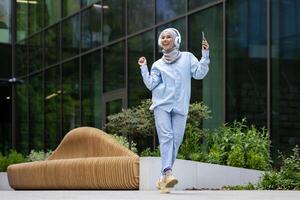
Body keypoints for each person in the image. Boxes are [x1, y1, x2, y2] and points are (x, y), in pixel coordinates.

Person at [138, 28, 210, 193]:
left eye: (168, 36)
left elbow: (199, 74)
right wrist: (144, 68)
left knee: (176, 141)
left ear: (176, 40)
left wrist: (205, 55)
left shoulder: (187, 57)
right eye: (162, 37)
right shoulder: (157, 64)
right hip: (161, 105)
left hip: (180, 106)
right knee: (167, 138)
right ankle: (168, 172)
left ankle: (162, 179)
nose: (165, 39)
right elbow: (151, 84)